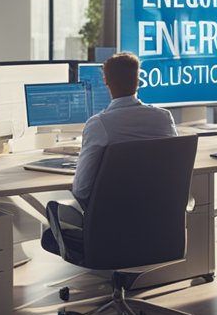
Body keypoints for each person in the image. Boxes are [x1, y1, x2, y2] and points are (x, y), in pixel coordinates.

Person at [40, 53, 177, 258]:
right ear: (139, 81)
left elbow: (81, 190)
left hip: (109, 231)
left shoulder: (99, 124)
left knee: (51, 229)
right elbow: (173, 172)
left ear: (106, 82)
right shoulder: (164, 118)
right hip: (158, 225)